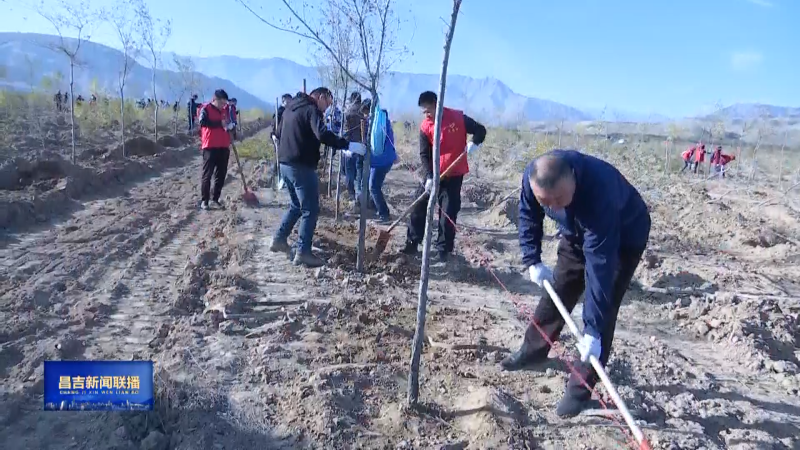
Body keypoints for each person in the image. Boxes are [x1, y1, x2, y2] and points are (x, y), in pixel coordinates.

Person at [500, 149, 651, 418]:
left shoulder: (598, 192)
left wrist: (591, 328)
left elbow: (599, 269)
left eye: (560, 198)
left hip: (623, 236)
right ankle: (533, 350)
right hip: (576, 231)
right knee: (559, 288)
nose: (554, 206)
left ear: (573, 178)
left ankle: (580, 389)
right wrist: (531, 258)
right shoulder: (533, 179)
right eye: (548, 202)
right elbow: (528, 213)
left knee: (604, 307)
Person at [268, 87, 349, 267]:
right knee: (310, 209)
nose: (326, 108)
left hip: (285, 163)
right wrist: (345, 145)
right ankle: (303, 252)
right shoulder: (312, 110)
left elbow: (278, 133)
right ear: (321, 97)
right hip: (301, 166)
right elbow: (321, 134)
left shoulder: (290, 107)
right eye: (327, 103)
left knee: (296, 205)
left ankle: (279, 239)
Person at [402, 90, 487, 263]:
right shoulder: (425, 127)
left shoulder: (457, 118)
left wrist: (474, 143)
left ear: (436, 104)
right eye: (423, 112)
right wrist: (428, 177)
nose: (426, 115)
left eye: (428, 111)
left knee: (447, 212)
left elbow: (481, 130)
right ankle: (412, 242)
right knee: (418, 206)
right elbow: (424, 154)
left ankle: (444, 249)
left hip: (454, 174)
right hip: (433, 174)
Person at [349, 101, 396, 223]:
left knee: (374, 186)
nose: (365, 116)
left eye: (365, 113)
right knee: (373, 185)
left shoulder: (377, 124)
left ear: (369, 111)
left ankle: (384, 215)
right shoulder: (381, 120)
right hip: (383, 159)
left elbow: (376, 146)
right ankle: (376, 208)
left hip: (382, 160)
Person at [198, 89, 236, 211]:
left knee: (221, 174)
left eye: (225, 103)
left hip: (223, 146)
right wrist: (220, 124)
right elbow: (203, 122)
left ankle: (215, 199)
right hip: (210, 146)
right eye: (222, 102)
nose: (223, 105)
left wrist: (231, 127)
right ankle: (205, 200)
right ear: (215, 99)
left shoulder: (225, 110)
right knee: (207, 175)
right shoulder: (206, 109)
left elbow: (228, 123)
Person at [344, 92, 367, 206]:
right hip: (361, 146)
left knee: (349, 171)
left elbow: (345, 131)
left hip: (350, 146)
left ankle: (351, 194)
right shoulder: (364, 113)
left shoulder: (348, 112)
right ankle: (360, 196)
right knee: (360, 172)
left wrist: (344, 145)